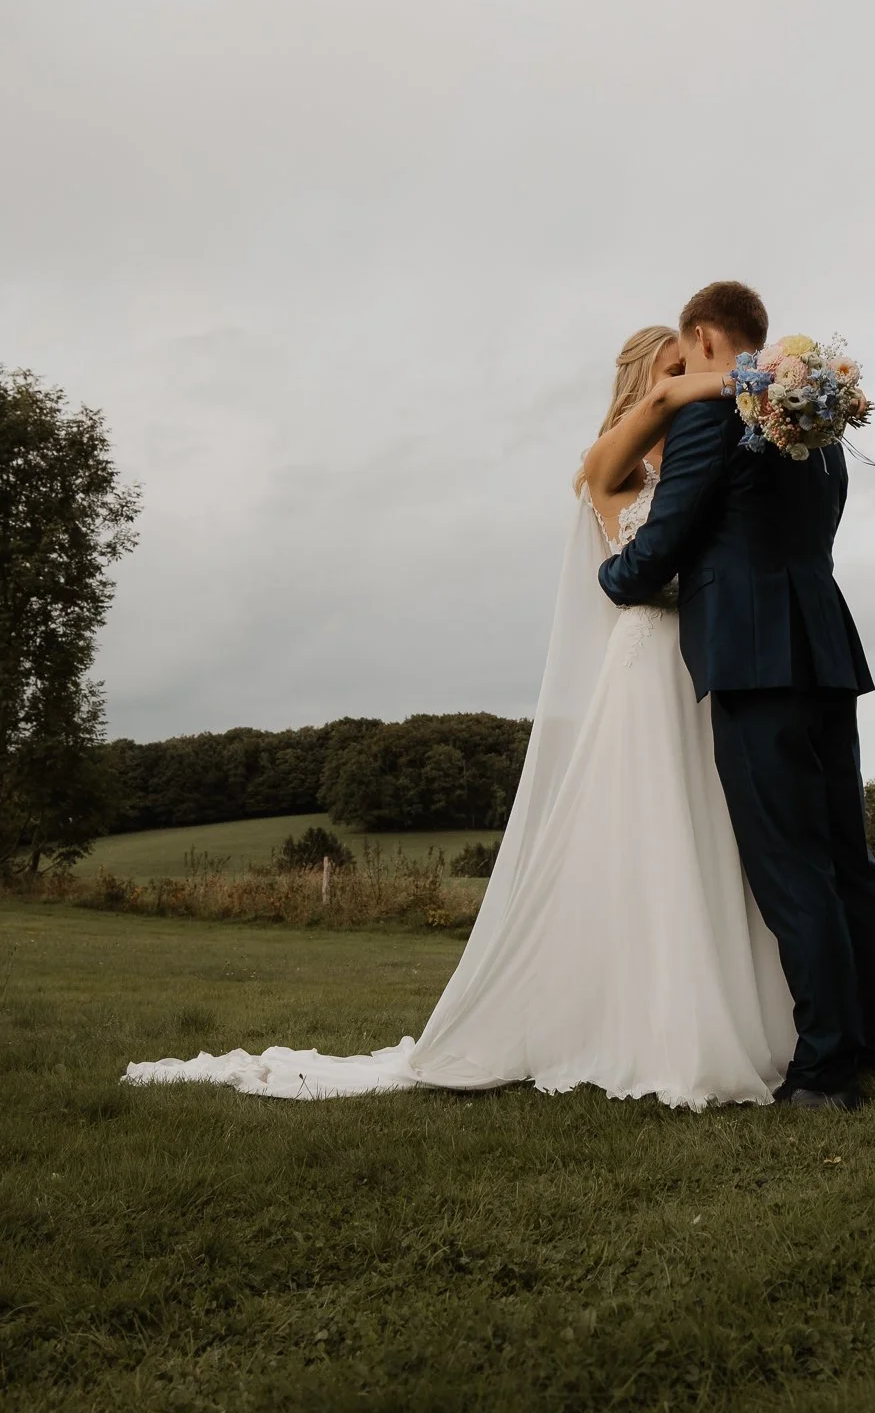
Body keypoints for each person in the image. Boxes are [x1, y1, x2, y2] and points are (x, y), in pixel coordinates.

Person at [125, 324, 797, 1106]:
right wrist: (763, 379)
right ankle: (653, 1028)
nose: (687, 382)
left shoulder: (695, 454)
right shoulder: (607, 461)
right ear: (647, 375)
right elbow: (637, 540)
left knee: (710, 829)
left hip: (700, 657)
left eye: (695, 367)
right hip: (646, 653)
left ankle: (727, 1010)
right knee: (651, 830)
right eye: (674, 369)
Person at [599, 281, 875, 1112]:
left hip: (751, 657)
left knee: (788, 863)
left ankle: (823, 1071)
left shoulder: (713, 413)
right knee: (848, 859)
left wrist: (614, 574)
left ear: (699, 336)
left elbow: (663, 541)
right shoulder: (817, 419)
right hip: (824, 648)